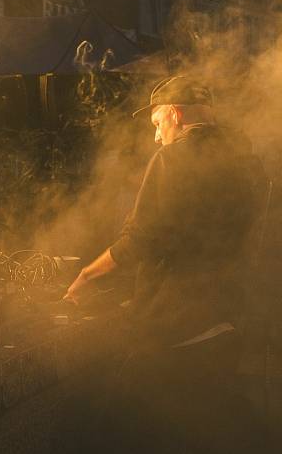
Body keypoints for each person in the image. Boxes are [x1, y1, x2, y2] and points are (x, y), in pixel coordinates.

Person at [64, 76, 266, 453]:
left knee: (118, 430)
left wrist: (86, 276)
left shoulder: (172, 158)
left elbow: (140, 240)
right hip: (226, 324)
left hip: (176, 332)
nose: (156, 136)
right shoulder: (248, 160)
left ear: (174, 114)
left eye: (157, 124)